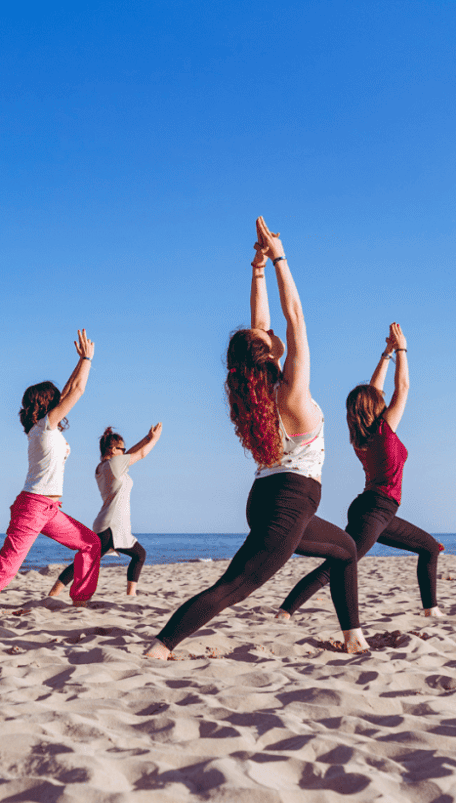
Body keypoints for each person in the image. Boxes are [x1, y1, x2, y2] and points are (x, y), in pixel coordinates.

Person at [146, 218, 368, 659]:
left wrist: (258, 268)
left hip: (270, 499)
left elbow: (262, 322)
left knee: (345, 550)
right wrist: (281, 257)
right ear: (265, 353)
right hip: (289, 503)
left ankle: (353, 637)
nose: (268, 330)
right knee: (235, 586)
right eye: (264, 336)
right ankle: (160, 646)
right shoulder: (292, 393)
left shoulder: (259, 392)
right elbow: (295, 318)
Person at [277, 323, 443, 621]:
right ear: (374, 408)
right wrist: (402, 349)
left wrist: (386, 354)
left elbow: (373, 392)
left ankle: (432, 610)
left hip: (378, 511)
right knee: (338, 563)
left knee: (429, 547)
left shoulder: (361, 435)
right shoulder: (383, 431)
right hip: (375, 511)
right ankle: (286, 611)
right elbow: (402, 388)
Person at [0, 330, 103, 613]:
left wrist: (79, 361)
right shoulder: (43, 427)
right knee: (7, 567)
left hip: (49, 509)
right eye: (55, 399)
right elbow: (77, 391)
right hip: (33, 506)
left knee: (90, 543)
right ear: (47, 405)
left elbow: (69, 390)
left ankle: (80, 600)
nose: (61, 401)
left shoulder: (45, 428)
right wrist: (88, 360)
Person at [49, 422, 162, 598]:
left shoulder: (104, 467)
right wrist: (155, 440)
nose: (125, 452)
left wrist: (147, 438)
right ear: (113, 450)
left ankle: (55, 592)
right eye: (122, 449)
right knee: (135, 555)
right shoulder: (114, 465)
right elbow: (140, 454)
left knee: (93, 558)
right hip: (112, 526)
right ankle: (130, 594)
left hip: (109, 524)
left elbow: (130, 453)